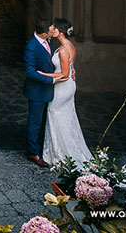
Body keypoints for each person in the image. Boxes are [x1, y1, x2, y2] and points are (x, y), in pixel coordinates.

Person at [38, 18, 93, 166]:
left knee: (55, 115)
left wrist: (43, 75)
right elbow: (70, 67)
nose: (52, 29)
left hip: (63, 87)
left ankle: (61, 154)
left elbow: (64, 75)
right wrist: (72, 70)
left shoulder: (63, 50)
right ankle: (66, 150)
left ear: (60, 31)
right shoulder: (69, 45)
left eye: (54, 28)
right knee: (66, 117)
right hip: (69, 86)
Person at [23, 17, 65, 167]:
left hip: (48, 90)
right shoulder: (31, 47)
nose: (54, 31)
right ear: (43, 34)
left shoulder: (47, 41)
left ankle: (43, 147)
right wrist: (52, 80)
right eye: (51, 30)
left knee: (44, 122)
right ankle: (33, 152)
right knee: (35, 123)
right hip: (37, 92)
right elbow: (30, 72)